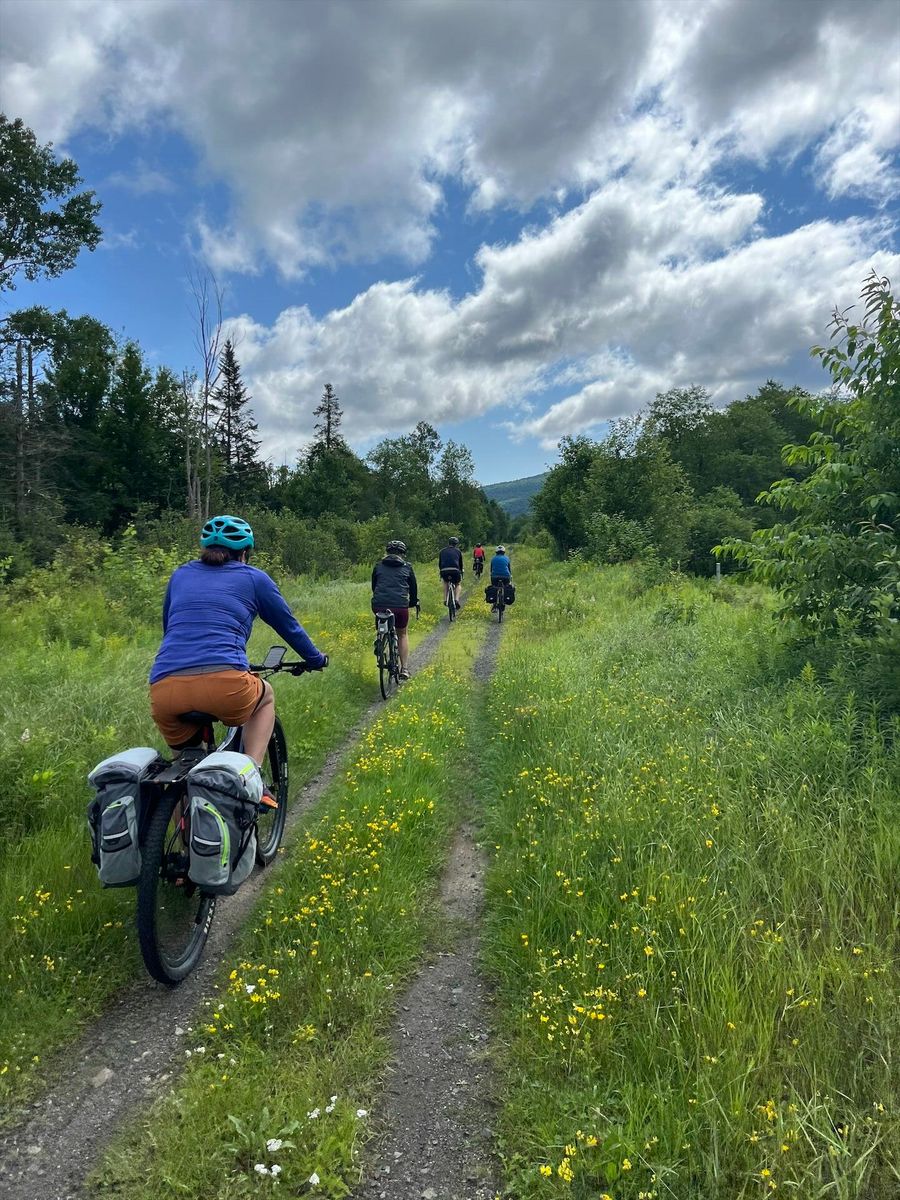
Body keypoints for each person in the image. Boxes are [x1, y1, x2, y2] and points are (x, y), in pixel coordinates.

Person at [149, 516, 328, 795]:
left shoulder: (180, 575)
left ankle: (182, 819)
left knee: (181, 779)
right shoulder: (254, 578)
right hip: (226, 685)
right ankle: (250, 776)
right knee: (266, 696)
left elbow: (168, 628)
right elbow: (289, 627)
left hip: (165, 689)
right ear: (245, 553)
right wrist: (316, 659)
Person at [371, 539, 418, 680]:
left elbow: (374, 586)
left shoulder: (378, 566)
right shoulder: (407, 567)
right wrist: (413, 602)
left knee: (382, 620)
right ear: (402, 554)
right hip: (400, 606)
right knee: (402, 634)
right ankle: (404, 669)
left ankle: (380, 638)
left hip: (379, 605)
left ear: (387, 552)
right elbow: (413, 589)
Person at [439, 535, 464, 609]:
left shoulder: (442, 551)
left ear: (449, 543)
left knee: (445, 582)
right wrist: (461, 571)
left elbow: (440, 563)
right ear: (456, 544)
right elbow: (460, 564)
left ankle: (445, 600)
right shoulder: (458, 551)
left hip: (444, 571)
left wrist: (441, 571)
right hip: (455, 571)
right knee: (457, 584)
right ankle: (456, 600)